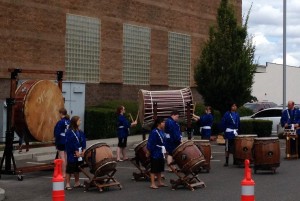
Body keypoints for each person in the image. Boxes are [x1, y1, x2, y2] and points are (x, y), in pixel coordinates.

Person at [65, 116, 86, 190]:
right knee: (69, 169)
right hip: (72, 153)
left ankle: (77, 182)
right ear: (74, 122)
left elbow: (83, 141)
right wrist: (75, 151)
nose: (80, 121)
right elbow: (69, 143)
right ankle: (67, 184)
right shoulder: (69, 132)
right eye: (79, 120)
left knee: (77, 168)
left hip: (80, 152)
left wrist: (84, 150)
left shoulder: (80, 131)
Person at [147, 117, 167, 189]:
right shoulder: (154, 132)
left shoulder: (161, 131)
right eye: (163, 122)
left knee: (160, 168)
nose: (164, 124)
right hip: (155, 152)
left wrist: (165, 150)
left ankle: (160, 182)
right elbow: (150, 142)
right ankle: (152, 183)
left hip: (161, 151)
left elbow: (164, 141)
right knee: (154, 168)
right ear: (159, 124)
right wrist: (149, 151)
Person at [54, 108, 70, 178]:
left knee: (61, 157)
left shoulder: (60, 122)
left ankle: (63, 173)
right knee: (66, 157)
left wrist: (55, 140)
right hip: (67, 140)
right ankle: (66, 172)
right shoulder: (69, 121)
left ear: (61, 113)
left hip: (61, 140)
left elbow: (57, 133)